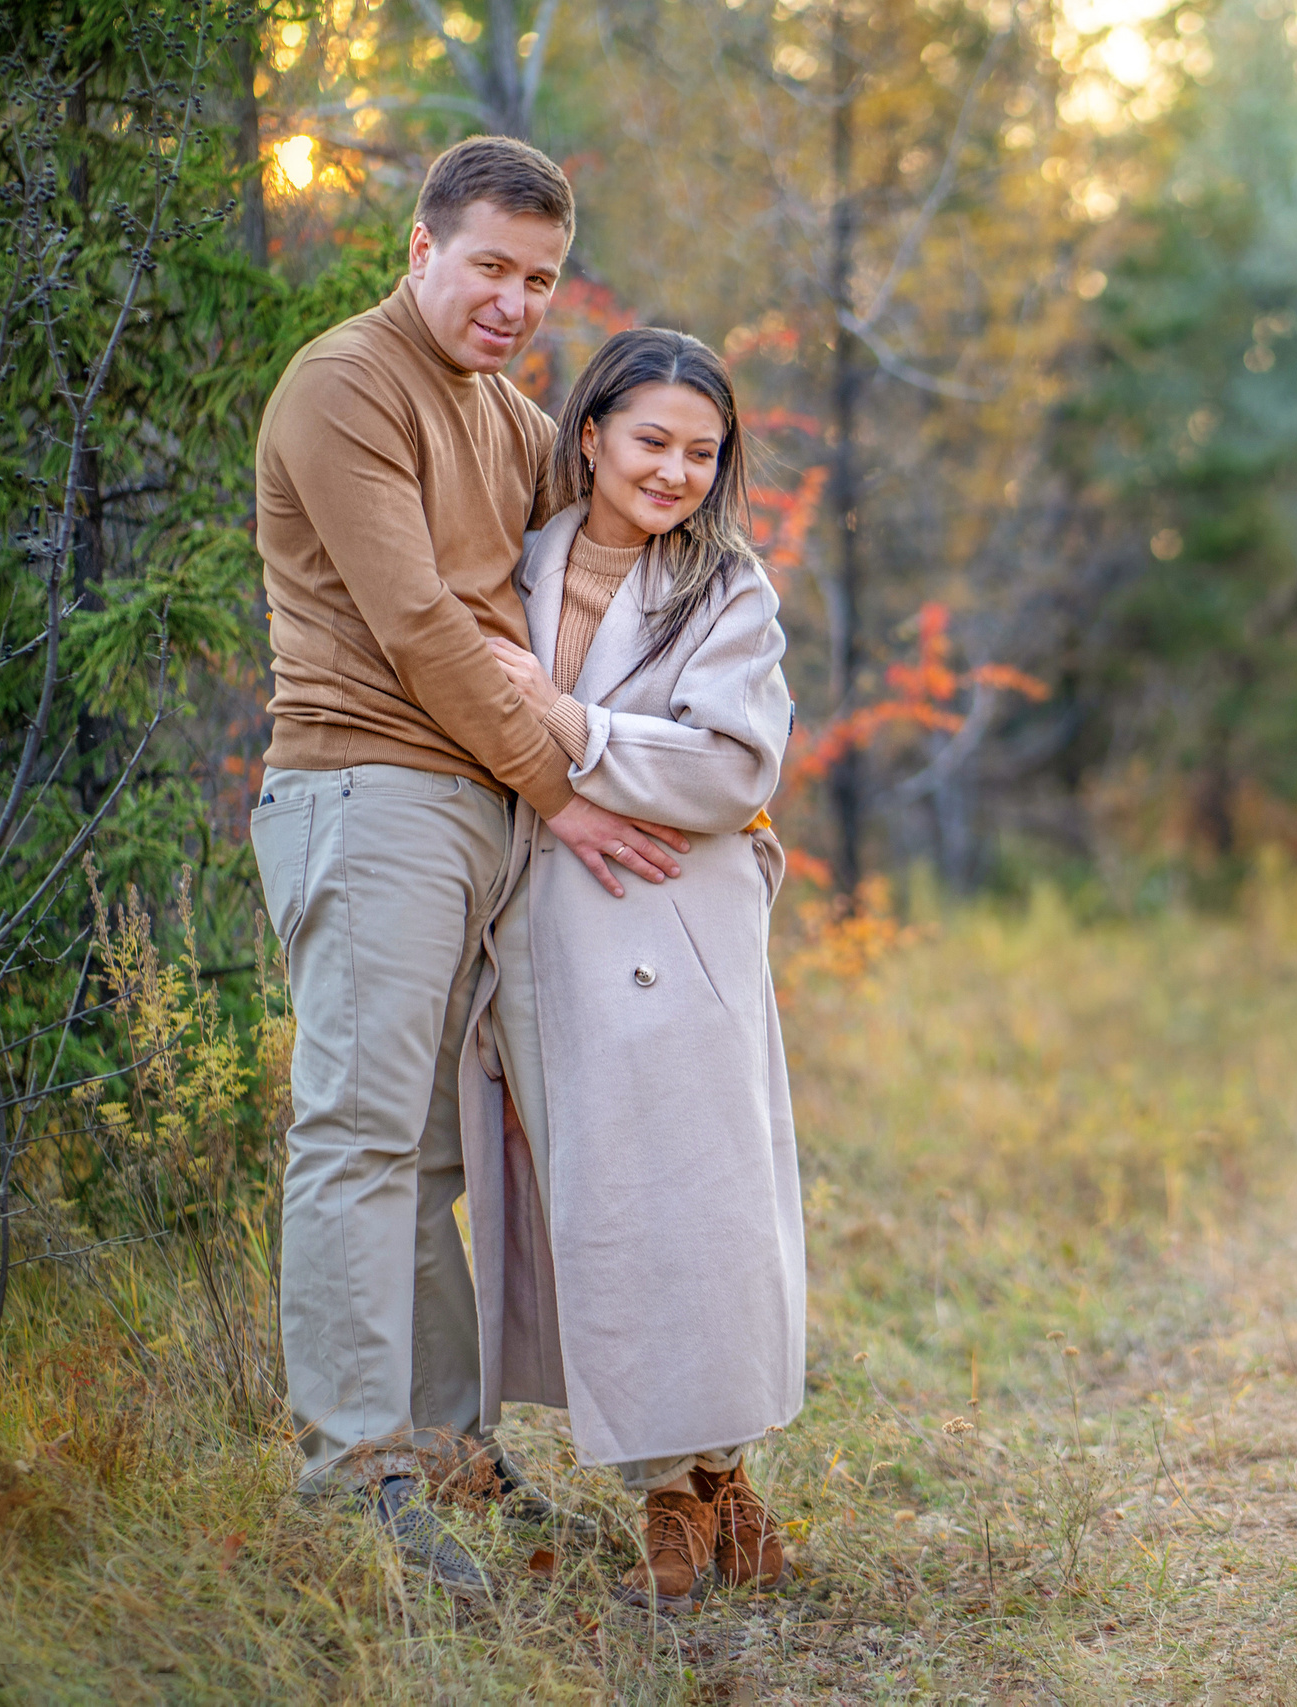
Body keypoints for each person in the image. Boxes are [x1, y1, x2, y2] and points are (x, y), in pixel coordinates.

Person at [249, 136, 689, 1590]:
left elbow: (567, 597)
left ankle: (444, 1448)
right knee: (361, 1128)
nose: (515, 299)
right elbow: (424, 626)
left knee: (437, 1149)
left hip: (477, 800)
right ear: (422, 247)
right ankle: (353, 1469)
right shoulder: (346, 383)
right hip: (369, 791)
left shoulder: (506, 418)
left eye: (542, 278)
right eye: (491, 265)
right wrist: (568, 788)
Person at [458, 327, 803, 1614]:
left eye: (701, 453)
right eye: (651, 440)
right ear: (589, 432)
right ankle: (694, 1483)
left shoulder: (730, 590)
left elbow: (729, 770)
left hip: (679, 927)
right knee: (602, 1220)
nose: (673, 471)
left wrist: (570, 726)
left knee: (703, 1217)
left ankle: (700, 1484)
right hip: (549, 926)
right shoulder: (516, 562)